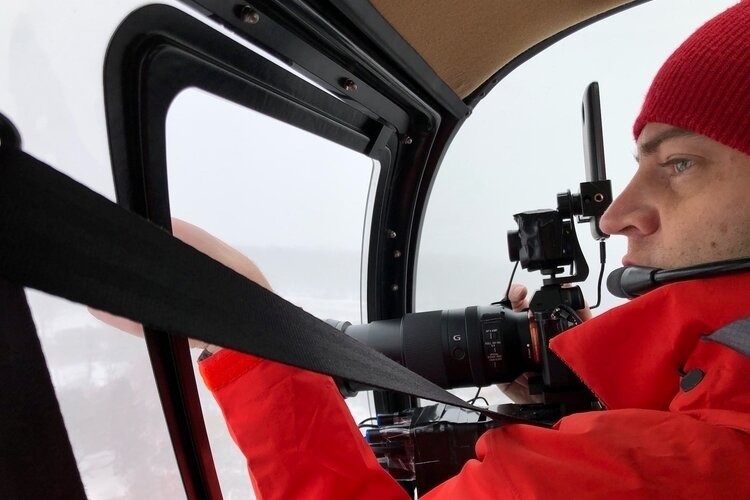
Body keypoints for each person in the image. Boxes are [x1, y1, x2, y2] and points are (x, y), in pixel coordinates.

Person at [96, 2, 750, 498]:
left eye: (680, 164)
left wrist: (242, 327)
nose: (614, 218)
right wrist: (600, 393)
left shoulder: (644, 470)